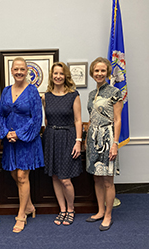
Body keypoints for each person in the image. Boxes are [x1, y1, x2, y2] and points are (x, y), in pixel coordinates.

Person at [0, 57, 44, 233]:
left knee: (23, 176)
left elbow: (36, 118)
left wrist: (18, 133)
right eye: (16, 69)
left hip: (27, 140)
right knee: (13, 173)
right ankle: (30, 205)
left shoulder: (32, 91)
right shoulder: (6, 90)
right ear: (11, 71)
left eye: (22, 69)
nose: (19, 72)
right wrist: (6, 133)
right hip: (10, 140)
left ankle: (21, 214)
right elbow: (1, 114)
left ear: (27, 71)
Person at [42, 62, 83, 226]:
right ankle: (62, 209)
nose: (58, 76)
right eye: (55, 73)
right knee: (55, 176)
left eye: (61, 73)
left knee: (65, 179)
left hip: (68, 137)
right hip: (51, 137)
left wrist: (78, 142)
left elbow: (78, 120)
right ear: (51, 76)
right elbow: (45, 119)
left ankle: (71, 209)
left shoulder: (74, 95)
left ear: (66, 75)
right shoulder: (46, 96)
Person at [85, 57, 123, 231]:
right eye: (96, 71)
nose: (99, 73)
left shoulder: (115, 92)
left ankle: (108, 215)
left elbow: (117, 119)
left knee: (108, 180)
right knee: (96, 177)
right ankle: (100, 211)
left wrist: (115, 143)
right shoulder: (92, 94)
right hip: (93, 138)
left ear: (107, 73)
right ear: (92, 73)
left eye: (102, 70)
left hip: (108, 138)